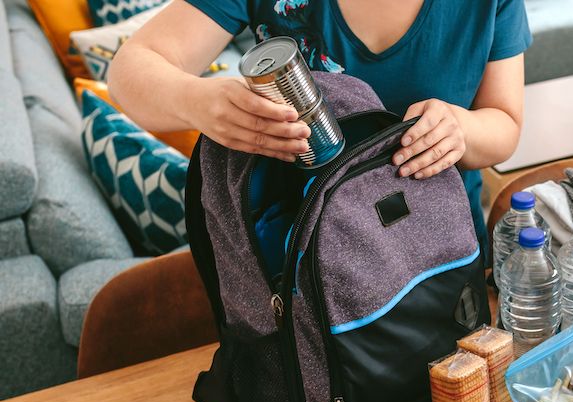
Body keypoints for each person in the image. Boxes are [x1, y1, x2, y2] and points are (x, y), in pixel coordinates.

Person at [108, 0, 531, 252]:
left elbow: (505, 124)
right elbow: (131, 70)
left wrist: (460, 128)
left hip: (443, 260)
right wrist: (198, 101)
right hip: (303, 275)